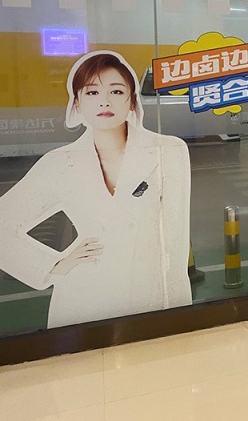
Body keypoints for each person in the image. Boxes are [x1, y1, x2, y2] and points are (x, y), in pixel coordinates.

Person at [0, 51, 192, 328]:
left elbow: (175, 240)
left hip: (148, 290)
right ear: (77, 103)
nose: (104, 101)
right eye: (92, 92)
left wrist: (180, 313)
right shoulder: (61, 162)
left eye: (116, 91)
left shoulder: (168, 150)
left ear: (132, 101)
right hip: (85, 294)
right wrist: (53, 264)